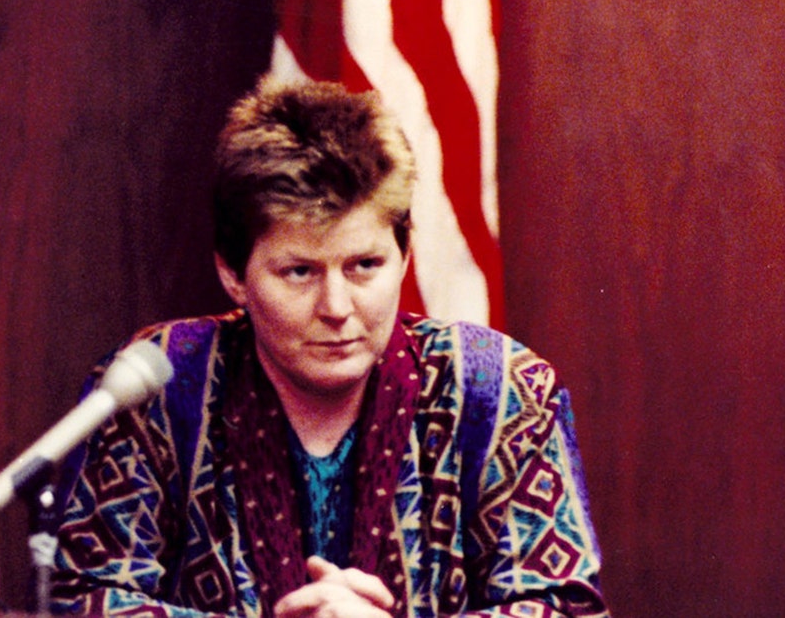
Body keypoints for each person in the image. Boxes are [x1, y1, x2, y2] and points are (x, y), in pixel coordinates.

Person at [49, 77, 608, 617]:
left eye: (365, 265)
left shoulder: (501, 388)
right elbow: (79, 600)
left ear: (405, 255)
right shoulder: (157, 386)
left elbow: (567, 608)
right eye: (299, 272)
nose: (337, 306)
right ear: (233, 273)